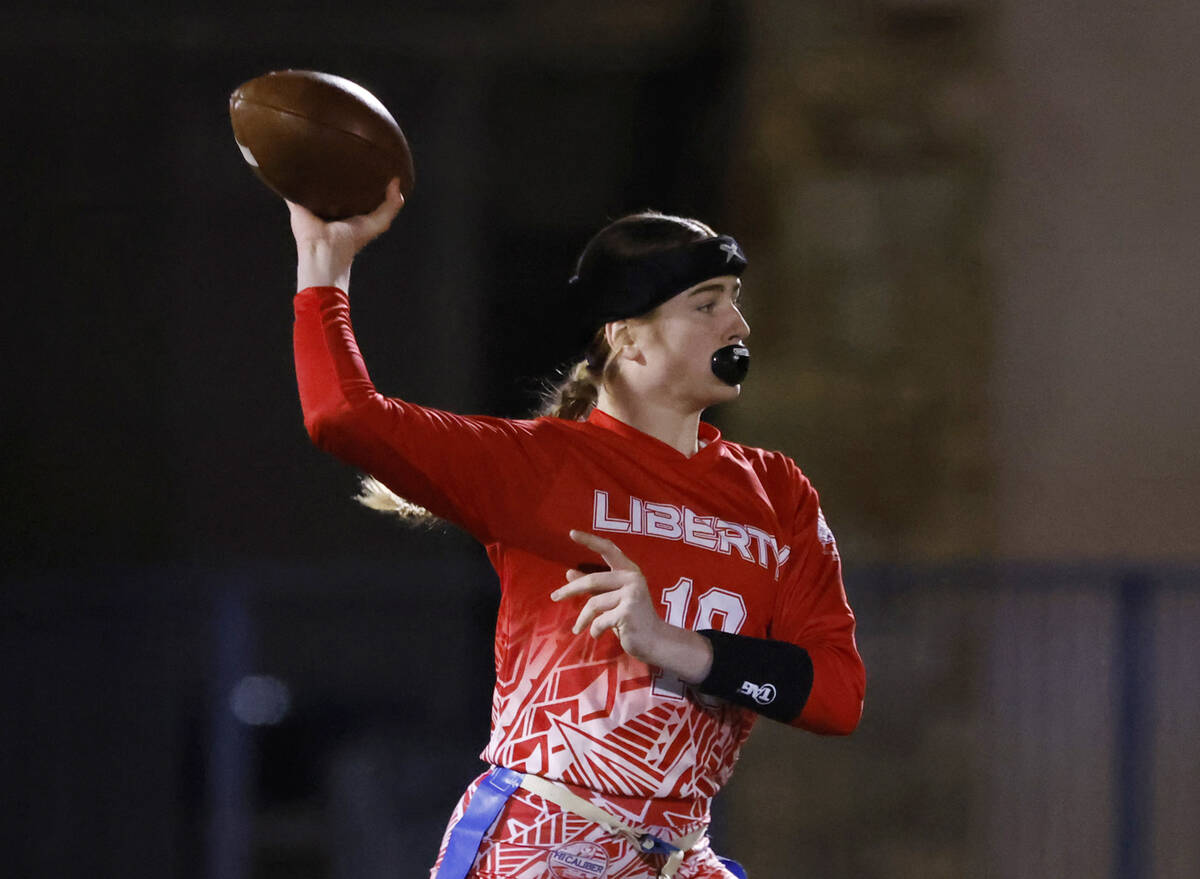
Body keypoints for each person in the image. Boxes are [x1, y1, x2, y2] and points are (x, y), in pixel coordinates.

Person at [288, 178, 865, 879]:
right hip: (551, 843)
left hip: (681, 852)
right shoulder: (542, 464)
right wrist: (325, 265)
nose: (737, 325)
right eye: (707, 304)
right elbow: (341, 416)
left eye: (734, 301)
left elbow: (837, 695)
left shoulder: (778, 492)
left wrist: (676, 645)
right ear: (628, 338)